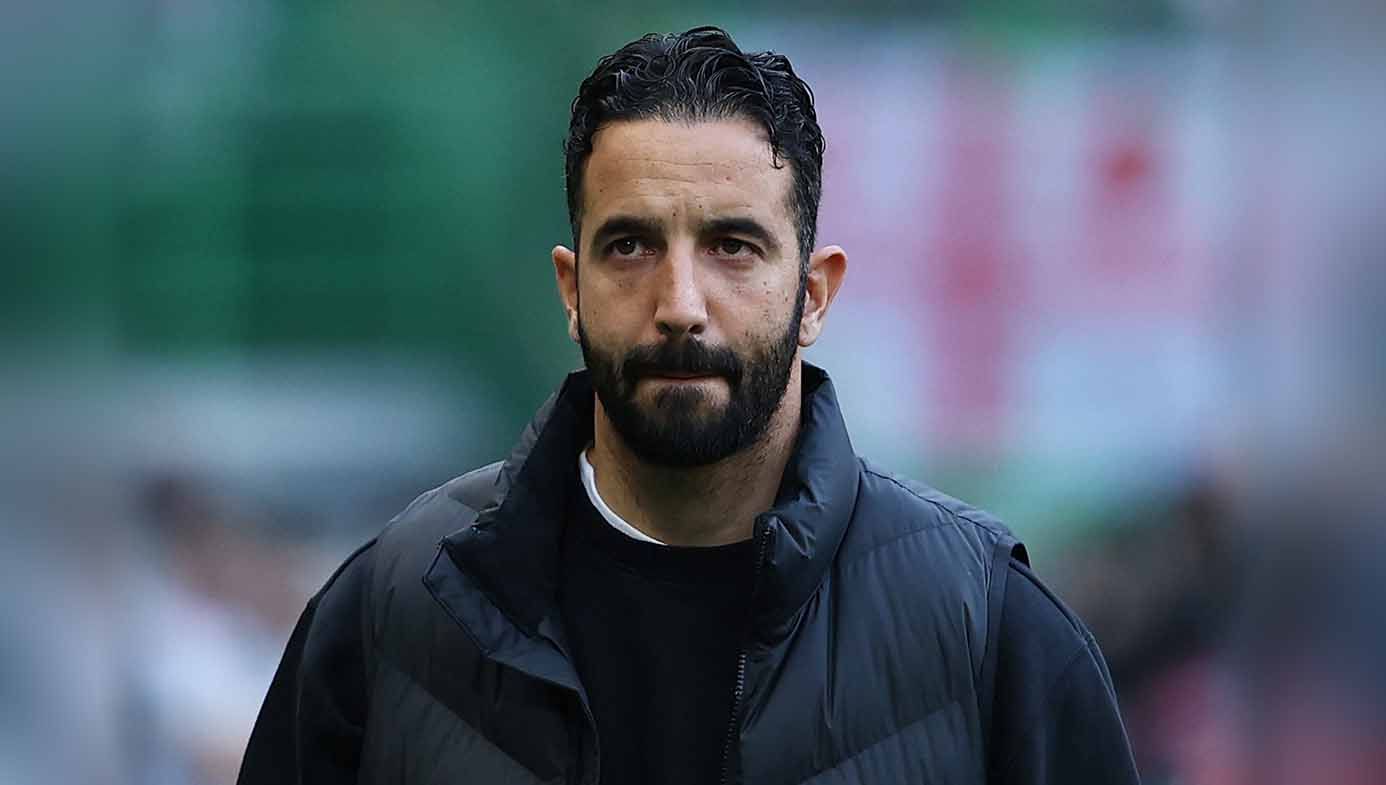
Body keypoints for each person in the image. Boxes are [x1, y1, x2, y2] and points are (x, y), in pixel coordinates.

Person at [238, 26, 1139, 785]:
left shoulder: (989, 630)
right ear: (571, 289)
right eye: (630, 245)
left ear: (814, 295)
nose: (679, 303)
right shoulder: (395, 610)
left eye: (732, 246)